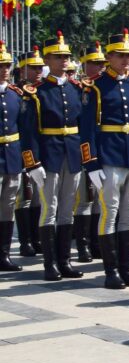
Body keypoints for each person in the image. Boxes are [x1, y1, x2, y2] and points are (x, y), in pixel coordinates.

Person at [81, 29, 129, 290]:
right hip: (109, 154)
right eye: (120, 56)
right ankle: (111, 270)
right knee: (110, 211)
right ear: (109, 57)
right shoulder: (96, 86)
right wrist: (90, 163)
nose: (126, 60)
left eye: (128, 56)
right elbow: (87, 128)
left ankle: (127, 268)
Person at [20, 32, 87, 281]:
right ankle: (50, 264)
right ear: (47, 59)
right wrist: (32, 163)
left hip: (72, 154)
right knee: (50, 209)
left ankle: (65, 261)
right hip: (48, 156)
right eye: (58, 57)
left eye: (66, 57)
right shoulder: (36, 92)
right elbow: (28, 134)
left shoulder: (76, 89)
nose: (63, 61)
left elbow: (83, 126)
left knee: (67, 210)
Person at [72, 42, 106, 263]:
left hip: (103, 148)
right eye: (94, 63)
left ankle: (96, 243)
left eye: (102, 63)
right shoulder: (79, 88)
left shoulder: (103, 86)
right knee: (84, 199)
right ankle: (82, 245)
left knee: (99, 201)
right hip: (82, 149)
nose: (99, 67)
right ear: (84, 65)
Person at [13, 47, 45, 258]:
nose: (38, 71)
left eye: (40, 67)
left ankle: (36, 238)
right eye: (33, 68)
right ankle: (25, 241)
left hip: (41, 150)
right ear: (22, 70)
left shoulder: (41, 91)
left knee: (37, 199)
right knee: (24, 197)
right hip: (21, 152)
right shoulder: (17, 93)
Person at [0, 44, 27, 272]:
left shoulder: (15, 94)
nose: (5, 69)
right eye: (1, 66)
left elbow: (23, 127)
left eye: (7, 65)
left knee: (8, 207)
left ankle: (4, 254)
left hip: (12, 156)